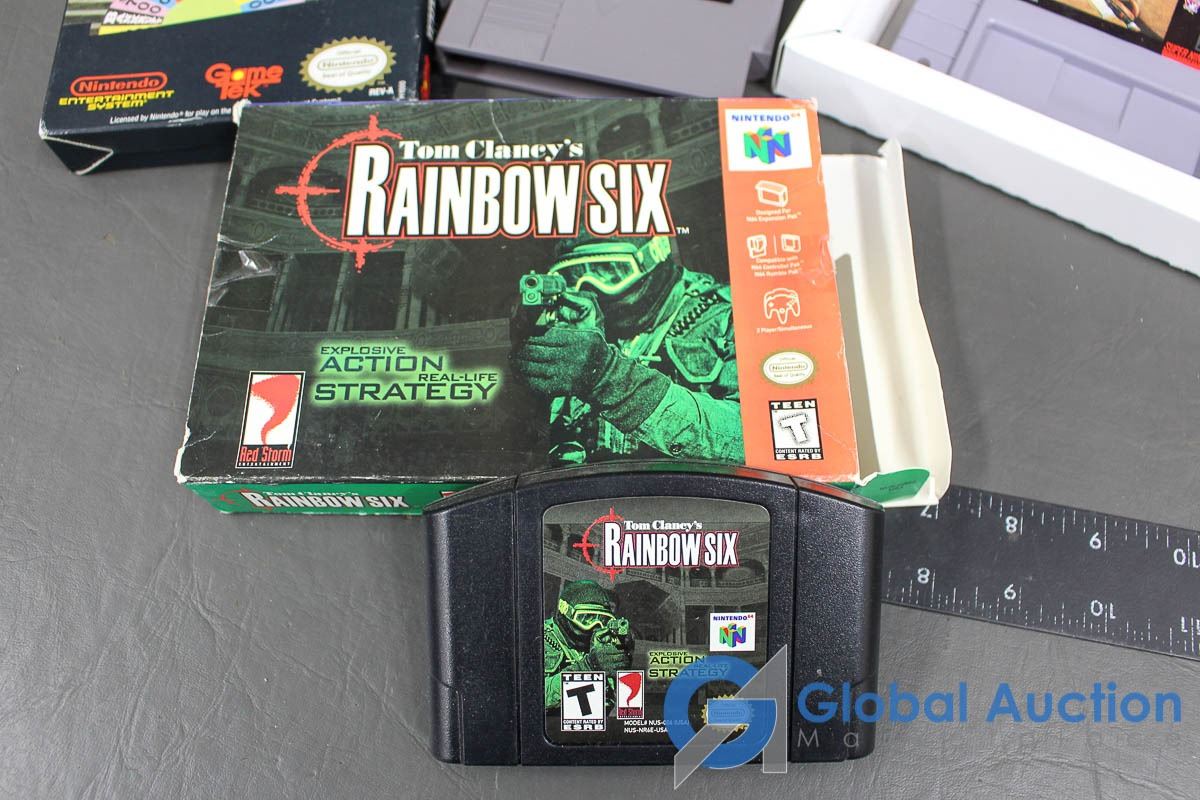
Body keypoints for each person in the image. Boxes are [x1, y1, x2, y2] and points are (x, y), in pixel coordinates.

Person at [511, 235, 744, 465]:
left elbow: (747, 439)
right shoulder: (573, 322)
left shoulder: (730, 314)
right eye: (575, 276)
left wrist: (609, 377)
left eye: (611, 271)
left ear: (654, 256)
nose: (591, 289)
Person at [544, 580, 633, 709]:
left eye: (602, 619)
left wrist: (622, 658)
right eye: (585, 618)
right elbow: (533, 695)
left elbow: (622, 701)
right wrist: (588, 667)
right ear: (565, 611)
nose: (595, 626)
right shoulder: (540, 639)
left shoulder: (603, 639)